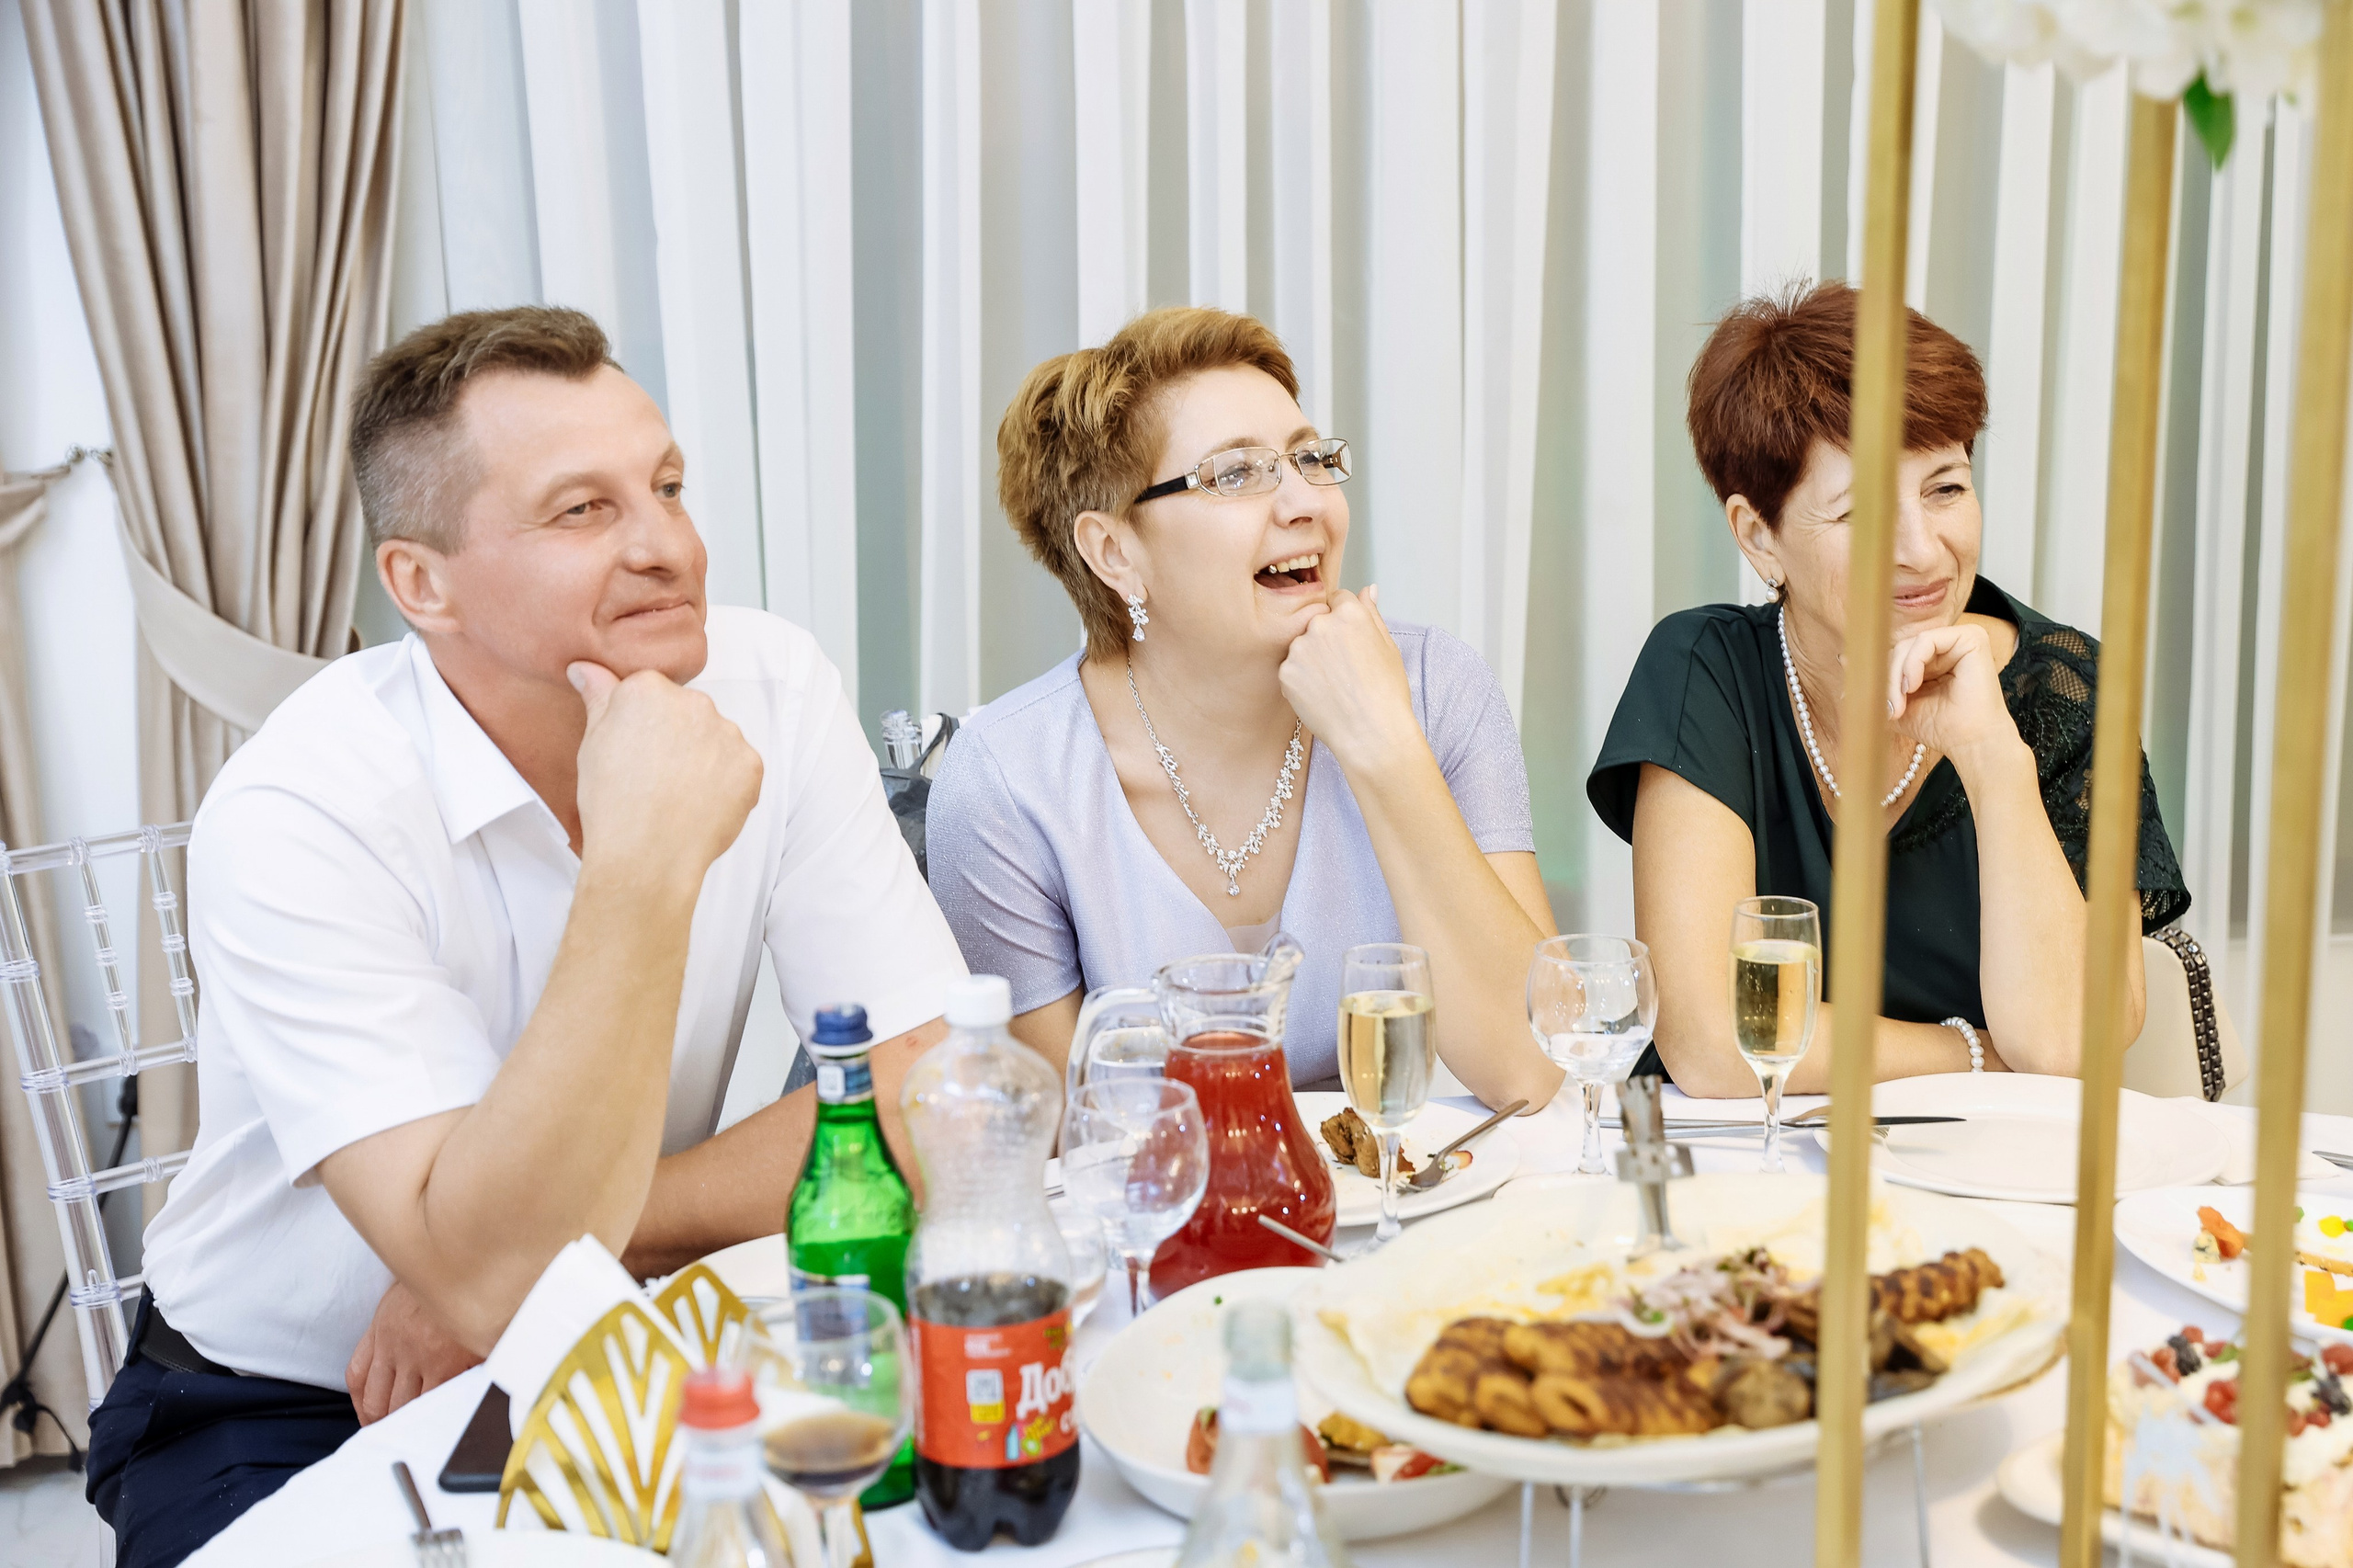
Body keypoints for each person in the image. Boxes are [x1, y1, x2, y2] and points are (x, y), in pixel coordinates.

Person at [91, 306, 966, 1568]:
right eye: (583, 510)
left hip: (614, 1330)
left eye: (665, 485)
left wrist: (539, 1250)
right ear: (421, 583)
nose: (670, 544)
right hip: (280, 1403)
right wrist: (642, 861)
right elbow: (497, 1283)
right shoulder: (305, 803)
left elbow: (928, 1092)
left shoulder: (774, 685)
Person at [926, 307, 1562, 1110]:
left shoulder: (1437, 689)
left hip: (1409, 1203)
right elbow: (1066, 1144)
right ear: (1115, 551)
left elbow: (1528, 1071)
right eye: (1235, 475)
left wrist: (1383, 747)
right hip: (1166, 1226)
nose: (1307, 505)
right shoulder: (1008, 786)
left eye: (1311, 460)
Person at [1587, 282, 2188, 1096]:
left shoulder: (2066, 688)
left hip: (1976, 1191)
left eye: (1946, 488)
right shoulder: (1705, 670)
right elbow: (1713, 1040)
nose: (1924, 551)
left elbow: (2066, 1041)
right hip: (1739, 1176)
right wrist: (1977, 1056)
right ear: (1758, 535)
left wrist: (1990, 755)